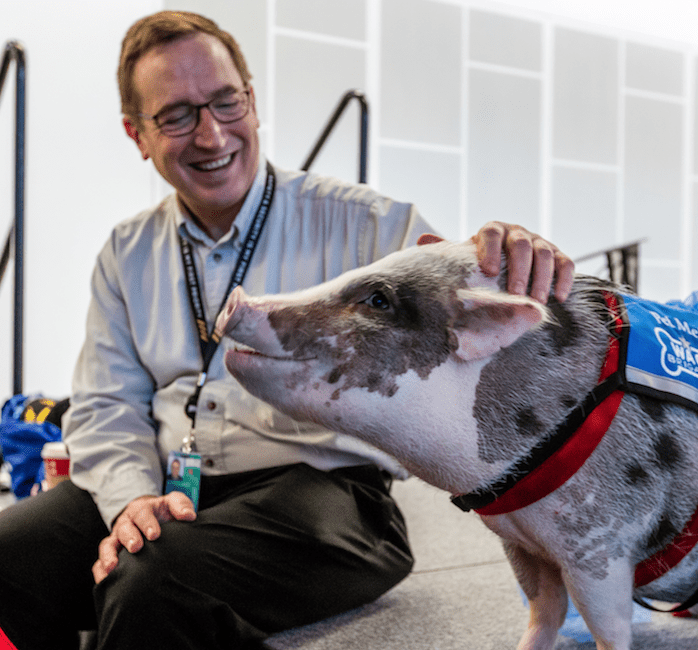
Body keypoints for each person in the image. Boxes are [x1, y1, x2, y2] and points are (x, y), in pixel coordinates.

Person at [0, 10, 573, 650]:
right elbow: (107, 405)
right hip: (168, 480)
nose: (213, 134)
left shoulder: (368, 227)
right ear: (138, 135)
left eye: (226, 101)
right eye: (178, 115)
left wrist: (513, 254)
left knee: (149, 581)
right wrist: (131, 504)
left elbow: (464, 294)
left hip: (324, 491)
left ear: (252, 98)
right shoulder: (126, 252)